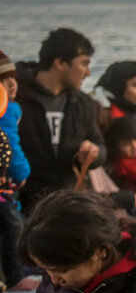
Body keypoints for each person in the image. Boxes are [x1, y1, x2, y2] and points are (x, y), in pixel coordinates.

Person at [14, 28, 106, 214]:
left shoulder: (83, 103)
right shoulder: (15, 96)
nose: (88, 72)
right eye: (84, 63)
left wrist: (94, 152)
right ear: (60, 63)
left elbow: (100, 145)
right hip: (19, 207)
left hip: (67, 206)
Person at [0, 51, 29, 291]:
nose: (11, 84)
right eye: (3, 80)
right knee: (13, 225)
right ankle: (15, 277)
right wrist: (22, 172)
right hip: (5, 186)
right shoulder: (6, 111)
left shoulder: (10, 109)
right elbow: (10, 144)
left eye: (13, 77)